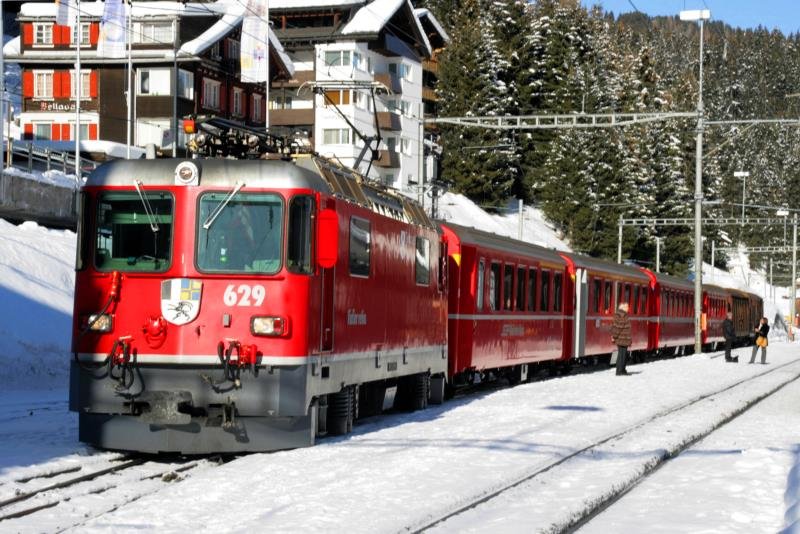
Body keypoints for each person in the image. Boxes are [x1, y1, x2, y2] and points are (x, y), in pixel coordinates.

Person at [611, 301, 632, 375]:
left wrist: (614, 336)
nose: (628, 308)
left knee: (622, 355)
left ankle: (621, 370)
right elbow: (618, 327)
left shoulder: (620, 315)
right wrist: (614, 336)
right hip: (622, 338)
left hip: (622, 338)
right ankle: (620, 371)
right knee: (622, 355)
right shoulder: (622, 315)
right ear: (623, 308)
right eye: (627, 307)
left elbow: (616, 327)